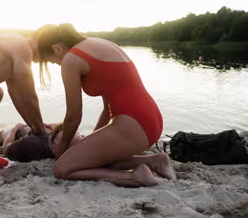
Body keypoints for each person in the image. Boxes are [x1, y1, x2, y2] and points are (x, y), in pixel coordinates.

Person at [33, 23, 175, 187]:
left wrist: (62, 153)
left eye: (52, 62)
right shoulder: (99, 44)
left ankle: (137, 178)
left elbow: (73, 116)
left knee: (62, 169)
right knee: (90, 160)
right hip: (150, 120)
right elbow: (107, 109)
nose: (57, 64)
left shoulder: (71, 59)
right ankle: (155, 161)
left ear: (57, 48)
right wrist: (91, 140)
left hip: (132, 124)